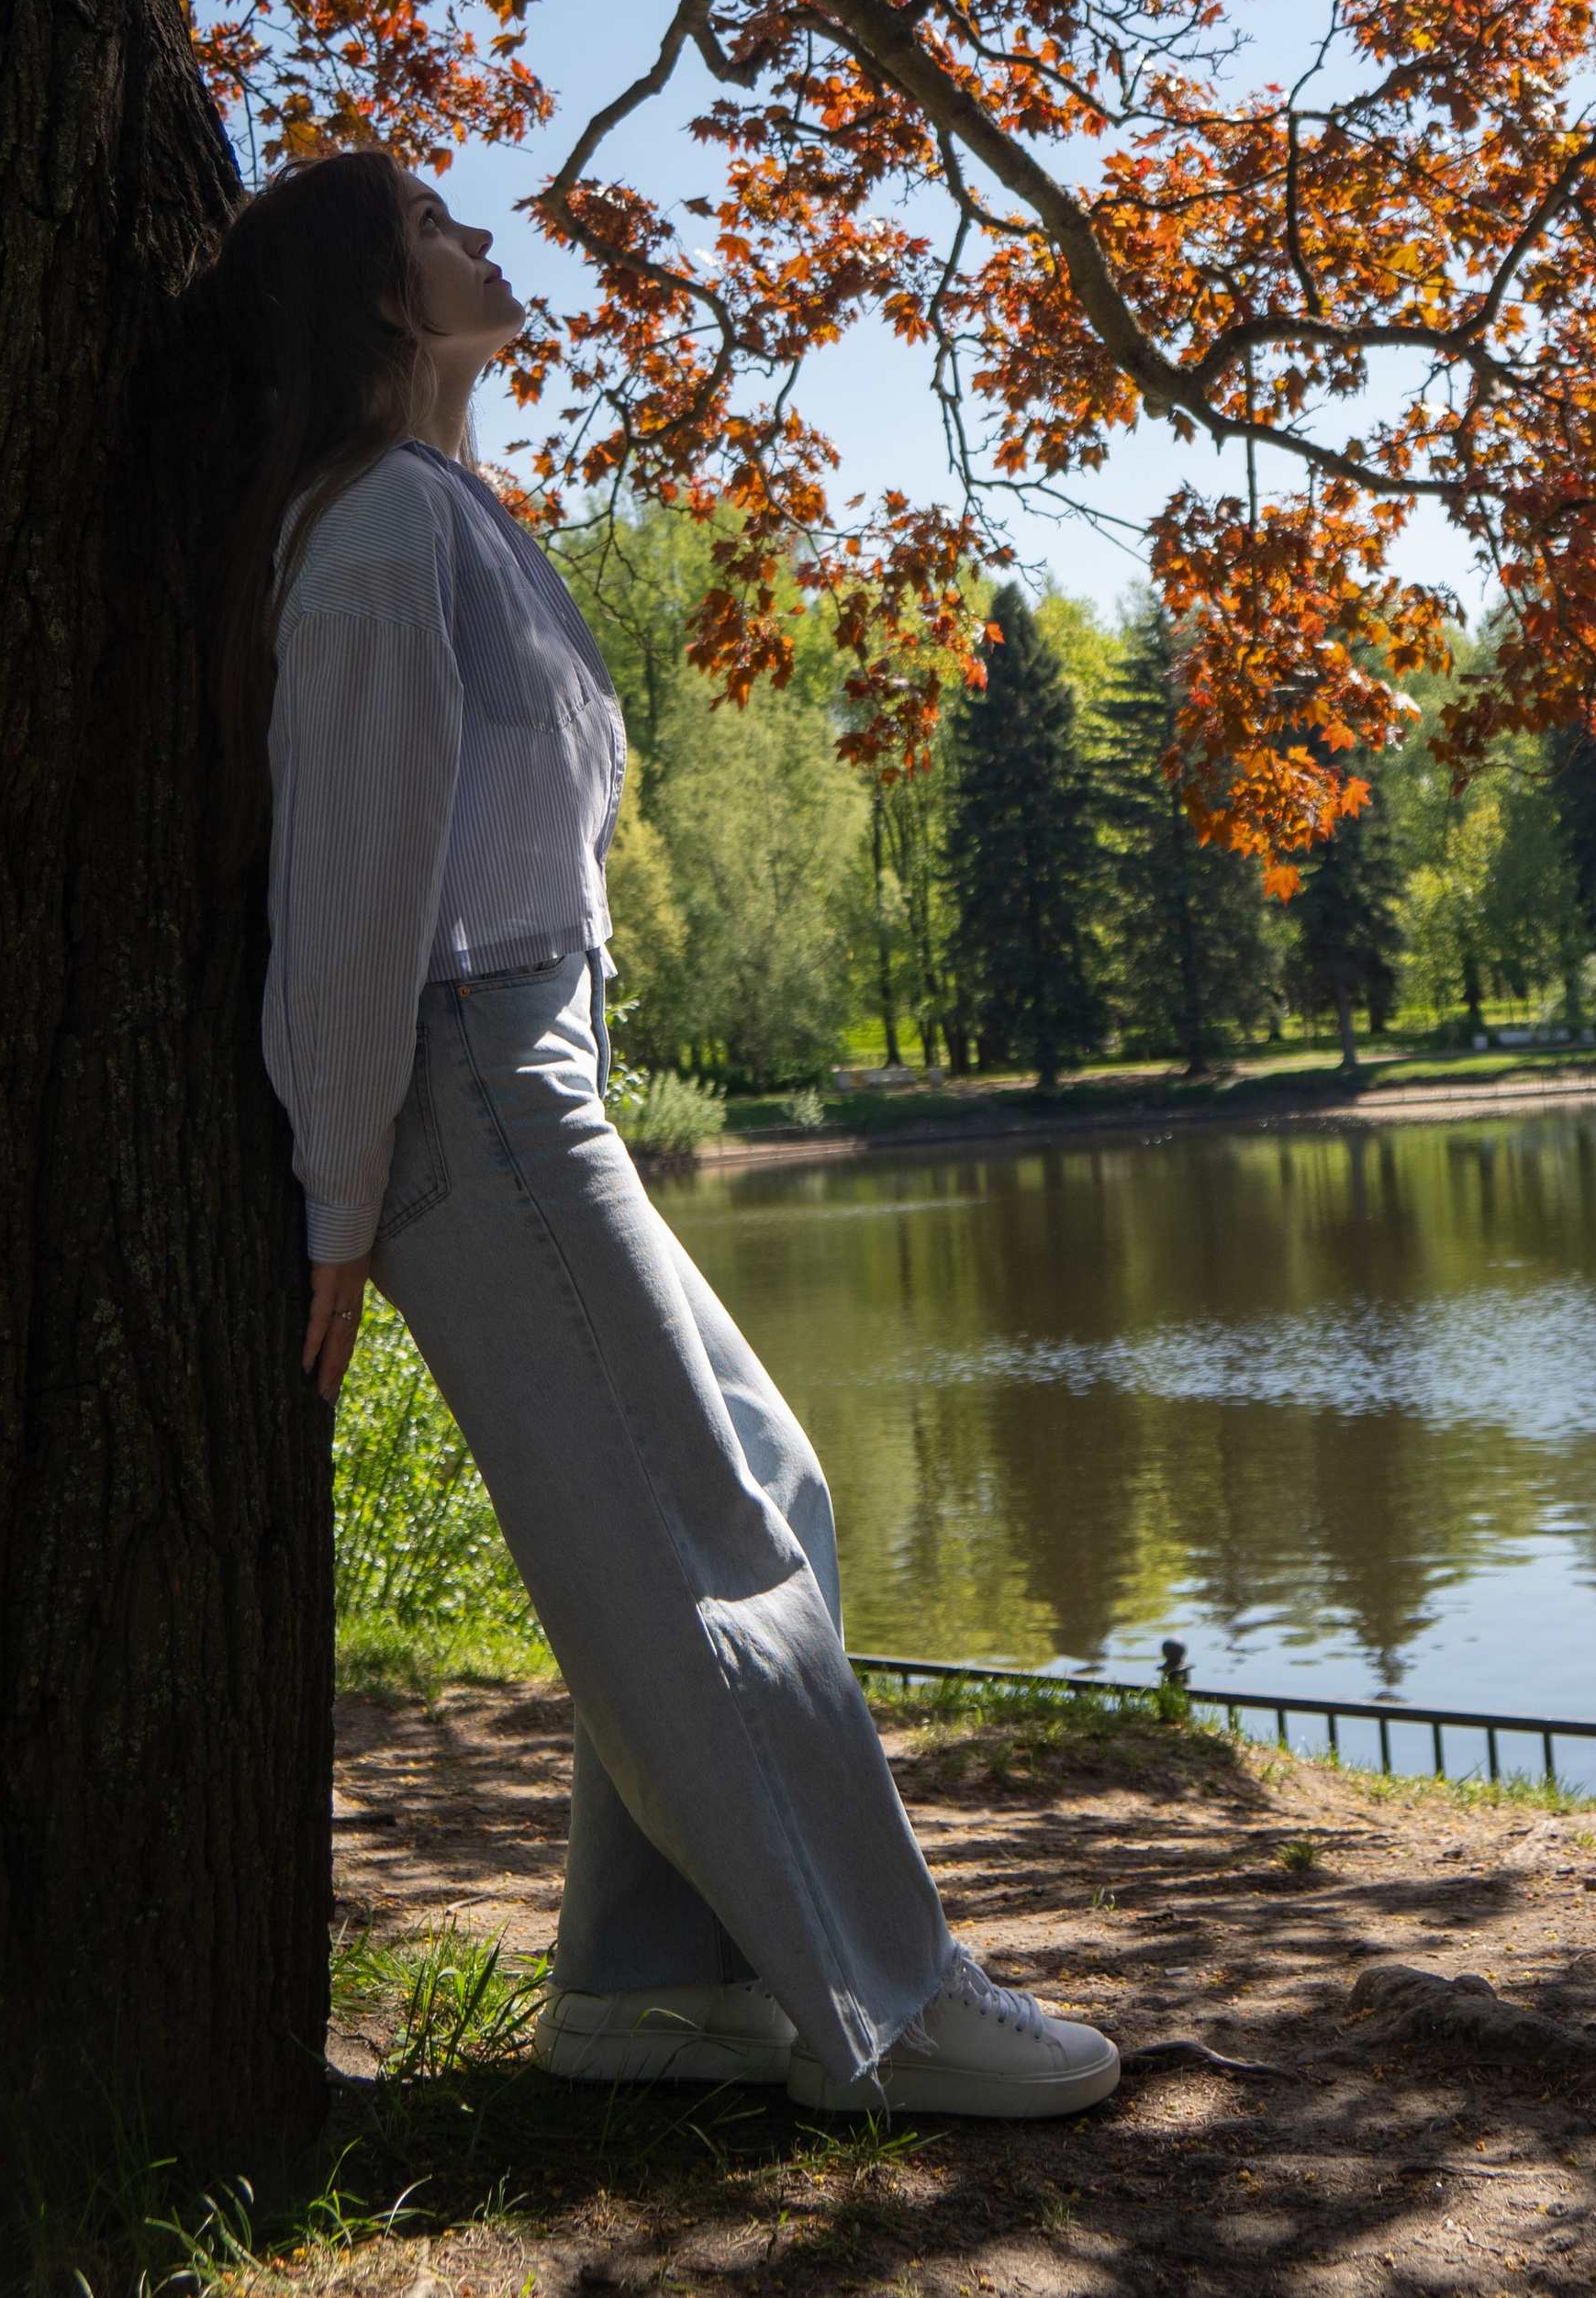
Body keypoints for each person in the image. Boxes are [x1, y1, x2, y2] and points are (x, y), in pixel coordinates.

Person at [205, 148, 1119, 2122]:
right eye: (438, 229)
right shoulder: (370, 540)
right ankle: (886, 2009)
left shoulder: (442, 514)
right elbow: (346, 904)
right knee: (699, 1541)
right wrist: (340, 1199)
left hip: (529, 1077)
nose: (483, 243)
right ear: (376, 302)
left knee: (760, 1484)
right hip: (465, 1089)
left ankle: (649, 1991)